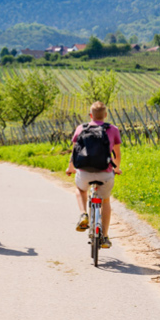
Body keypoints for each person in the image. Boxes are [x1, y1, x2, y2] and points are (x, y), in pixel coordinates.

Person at [66, 101, 122, 248]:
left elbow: (75, 152)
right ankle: (104, 236)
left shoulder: (80, 128)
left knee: (80, 189)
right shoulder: (113, 129)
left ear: (91, 115)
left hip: (84, 173)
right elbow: (117, 154)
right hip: (105, 174)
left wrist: (70, 168)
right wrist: (116, 169)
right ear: (105, 115)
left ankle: (83, 214)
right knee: (105, 201)